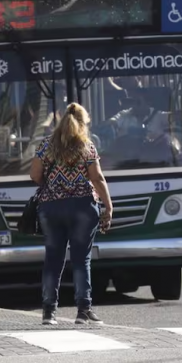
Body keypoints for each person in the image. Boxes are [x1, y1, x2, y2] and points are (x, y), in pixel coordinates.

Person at [30, 103, 113, 326]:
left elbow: (34, 174)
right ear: (83, 123)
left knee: (53, 259)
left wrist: (53, 186)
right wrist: (108, 205)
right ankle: (83, 311)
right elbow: (97, 178)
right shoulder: (86, 146)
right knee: (81, 260)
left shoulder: (46, 145)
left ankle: (49, 312)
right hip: (82, 207)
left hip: (51, 208)